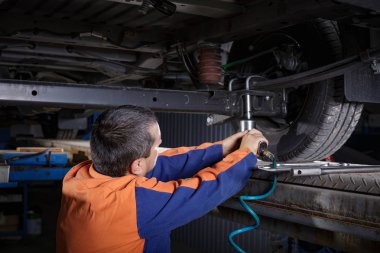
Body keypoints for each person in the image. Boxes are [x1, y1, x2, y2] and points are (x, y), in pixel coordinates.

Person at [56, 105, 268, 253]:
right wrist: (245, 155)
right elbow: (202, 192)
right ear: (137, 165)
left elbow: (167, 162)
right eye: (156, 147)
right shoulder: (134, 204)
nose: (159, 151)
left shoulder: (82, 174)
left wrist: (222, 148)